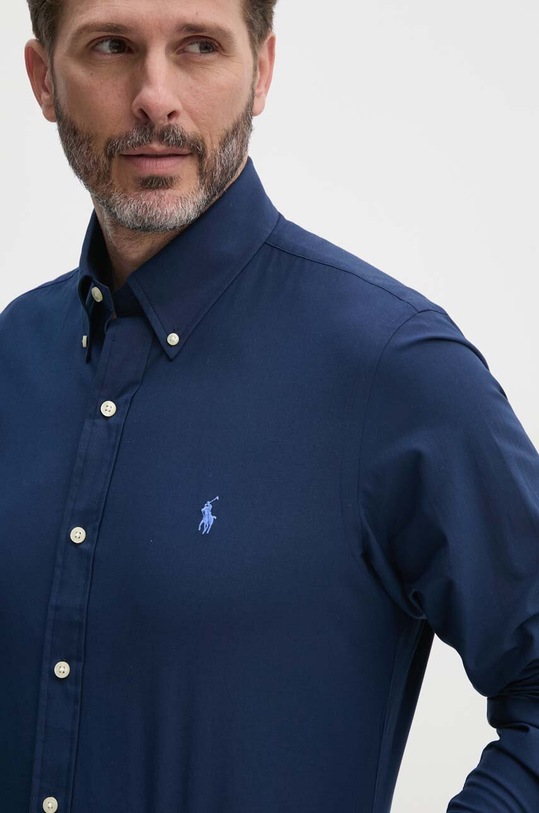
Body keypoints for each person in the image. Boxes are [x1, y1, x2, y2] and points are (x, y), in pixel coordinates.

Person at [1, 0, 538, 811]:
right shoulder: (14, 354)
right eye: (110, 46)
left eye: (199, 46)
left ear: (261, 72)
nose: (154, 97)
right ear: (44, 79)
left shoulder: (390, 366)